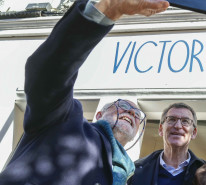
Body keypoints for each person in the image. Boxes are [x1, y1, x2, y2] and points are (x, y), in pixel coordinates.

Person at [0, 0, 169, 184]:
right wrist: (107, 10)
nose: (131, 113)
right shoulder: (65, 120)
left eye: (137, 114)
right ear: (98, 114)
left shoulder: (128, 176)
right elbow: (49, 74)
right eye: (121, 106)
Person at [127, 103, 206, 185]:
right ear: (161, 129)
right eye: (171, 119)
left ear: (193, 133)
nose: (178, 126)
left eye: (185, 121)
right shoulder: (135, 170)